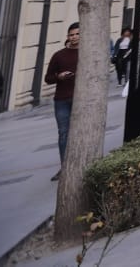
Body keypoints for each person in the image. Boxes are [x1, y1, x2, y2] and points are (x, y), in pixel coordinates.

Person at [43, 23, 80, 175]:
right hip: (62, 100)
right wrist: (59, 76)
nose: (74, 37)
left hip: (81, 99)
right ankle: (65, 167)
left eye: (77, 34)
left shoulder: (89, 53)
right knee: (63, 133)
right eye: (71, 35)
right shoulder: (59, 55)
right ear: (67, 37)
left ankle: (80, 163)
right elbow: (48, 78)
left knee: (79, 132)